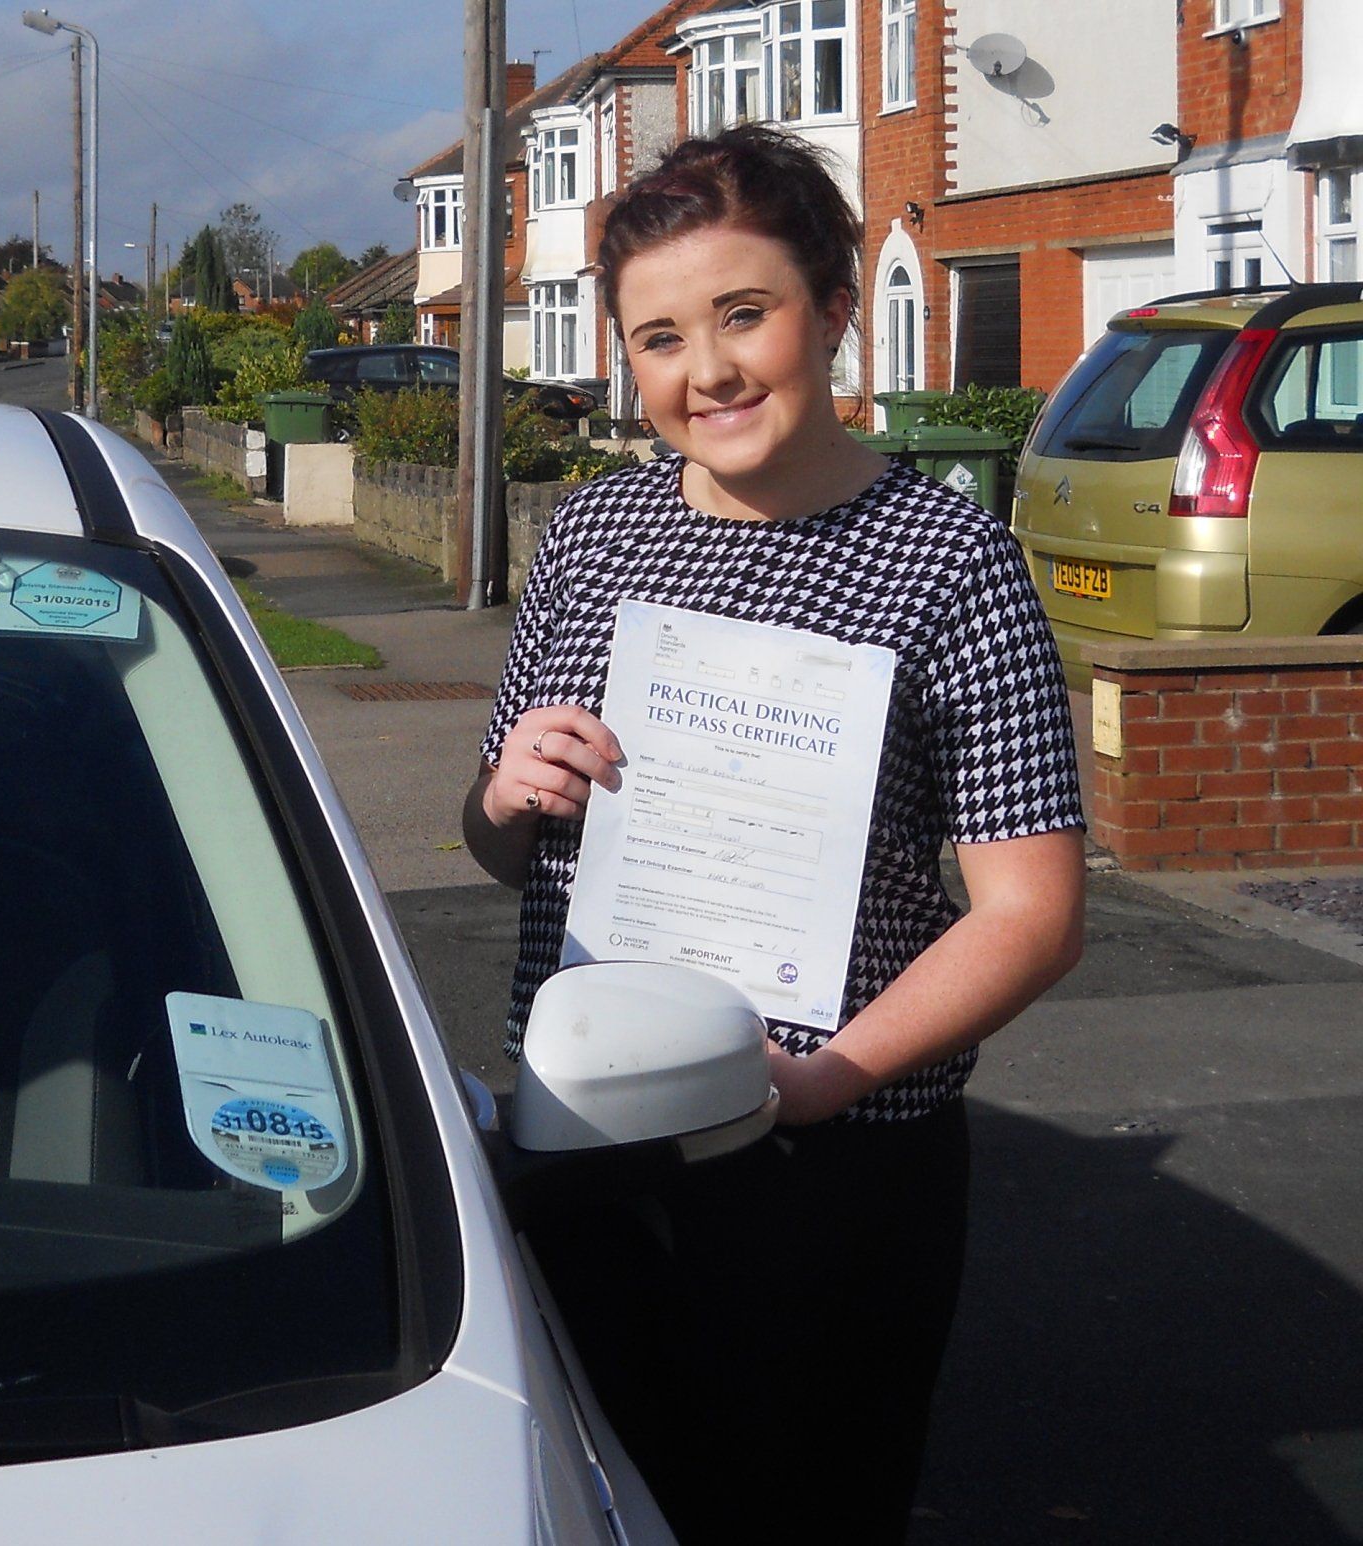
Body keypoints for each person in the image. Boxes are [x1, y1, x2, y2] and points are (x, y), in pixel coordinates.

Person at [462, 124, 1085, 1543]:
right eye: (662, 336)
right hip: (589, 1138)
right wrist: (507, 794)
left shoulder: (952, 560)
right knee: (592, 1502)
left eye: (745, 314)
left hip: (831, 1165)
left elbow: (1030, 909)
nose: (708, 371)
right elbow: (506, 848)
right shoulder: (593, 535)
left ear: (837, 310)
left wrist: (821, 1082)